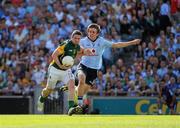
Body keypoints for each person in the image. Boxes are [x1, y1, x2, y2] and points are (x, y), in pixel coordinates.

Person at [68, 23, 141, 115]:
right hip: (83, 65)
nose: (91, 33)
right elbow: (75, 52)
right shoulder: (82, 41)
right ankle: (78, 105)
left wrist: (132, 42)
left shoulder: (102, 42)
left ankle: (75, 93)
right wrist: (83, 53)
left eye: (93, 32)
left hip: (94, 69)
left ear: (97, 33)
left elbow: (116, 45)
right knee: (81, 80)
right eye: (89, 31)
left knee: (83, 90)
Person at [37, 30, 94, 113]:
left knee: (71, 85)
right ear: (71, 38)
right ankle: (41, 99)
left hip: (66, 70)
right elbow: (54, 55)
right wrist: (60, 65)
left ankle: (71, 108)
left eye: (78, 39)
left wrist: (88, 51)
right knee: (49, 89)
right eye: (75, 38)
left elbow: (82, 51)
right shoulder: (66, 44)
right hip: (55, 69)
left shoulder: (77, 46)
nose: (77, 40)